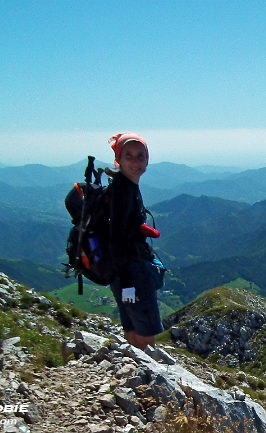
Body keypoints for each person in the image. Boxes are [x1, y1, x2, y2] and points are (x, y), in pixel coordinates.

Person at [106, 132, 162, 350]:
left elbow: (121, 228)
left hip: (120, 272)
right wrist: (128, 281)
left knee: (131, 324)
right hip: (131, 271)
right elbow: (116, 237)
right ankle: (146, 378)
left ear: (147, 160)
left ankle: (134, 371)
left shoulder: (123, 185)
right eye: (128, 155)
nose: (135, 161)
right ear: (118, 159)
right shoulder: (123, 190)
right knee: (146, 333)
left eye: (140, 156)